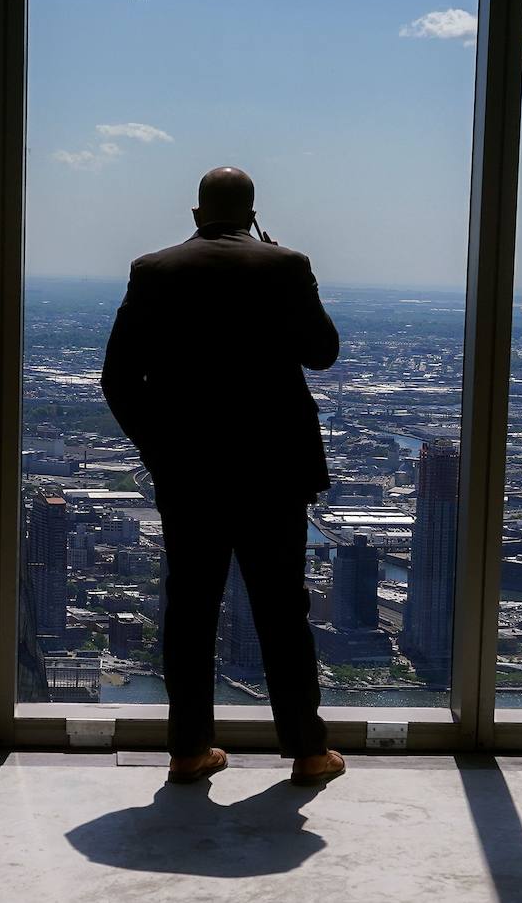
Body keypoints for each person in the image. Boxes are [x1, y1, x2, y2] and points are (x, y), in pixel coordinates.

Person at [100, 166, 346, 787]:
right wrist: (278, 260)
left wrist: (160, 449)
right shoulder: (286, 264)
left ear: (195, 214)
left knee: (189, 609)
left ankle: (187, 749)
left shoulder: (153, 271)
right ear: (253, 211)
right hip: (274, 470)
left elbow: (119, 380)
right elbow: (322, 352)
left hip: (191, 472)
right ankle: (308, 752)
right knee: (282, 611)